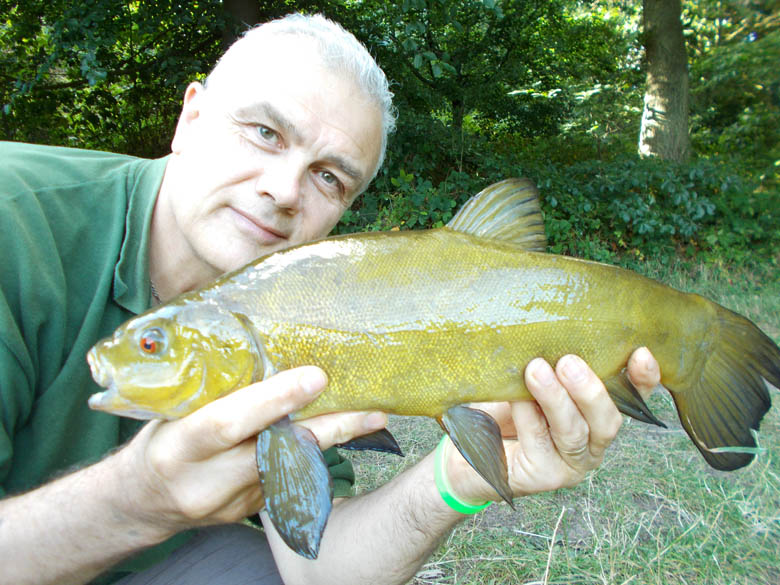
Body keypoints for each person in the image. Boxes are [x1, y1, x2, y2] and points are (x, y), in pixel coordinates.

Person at [0, 13, 661, 585]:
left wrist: (456, 483)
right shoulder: (15, 219)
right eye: (264, 132)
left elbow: (320, 568)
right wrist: (137, 498)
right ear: (190, 116)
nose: (286, 189)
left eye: (328, 176)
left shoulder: (303, 316)